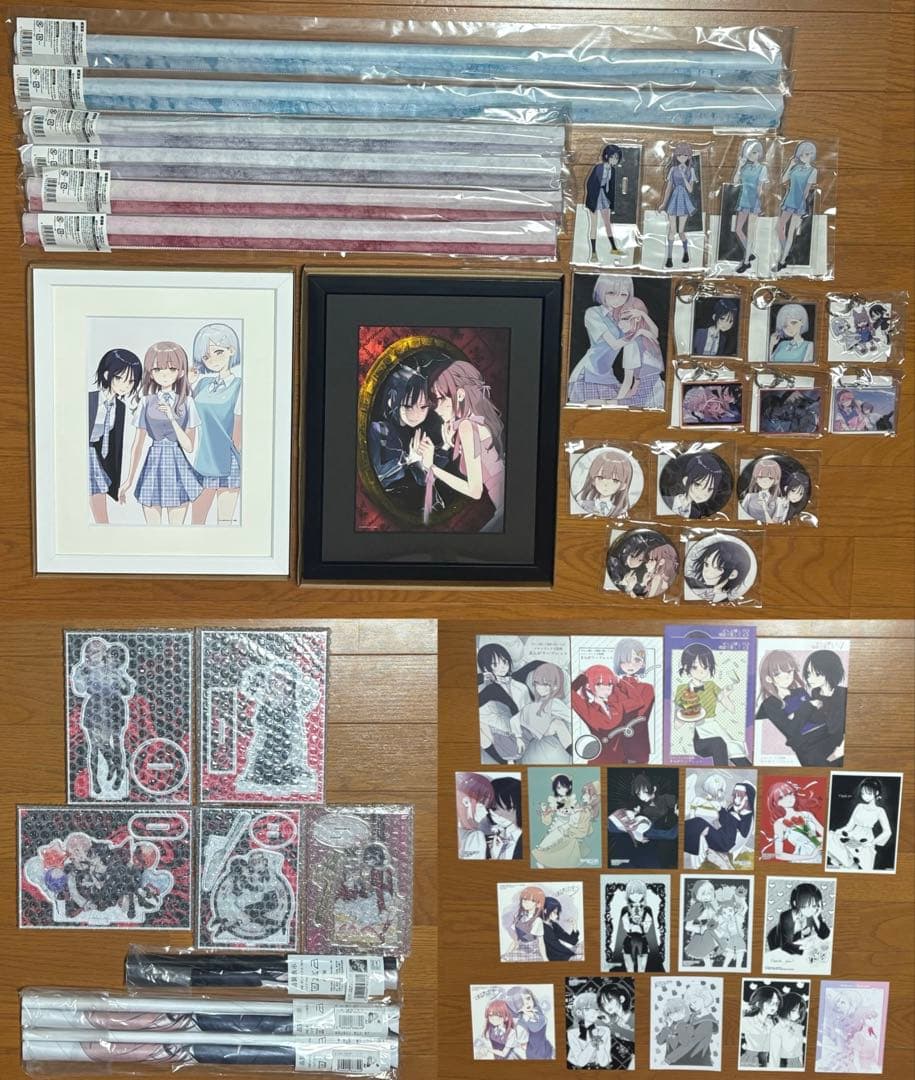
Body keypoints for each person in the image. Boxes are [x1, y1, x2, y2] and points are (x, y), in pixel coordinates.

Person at [119, 341, 203, 524]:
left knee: (176, 528)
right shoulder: (146, 401)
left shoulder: (187, 402)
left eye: (171, 369)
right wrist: (129, 480)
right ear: (151, 373)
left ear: (181, 372)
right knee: (152, 528)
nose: (164, 374)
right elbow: (137, 445)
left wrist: (172, 418)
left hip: (178, 465)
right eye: (157, 369)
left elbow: (189, 446)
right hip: (153, 464)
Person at [419, 358, 505, 531]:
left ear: (460, 395)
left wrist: (431, 467)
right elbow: (483, 457)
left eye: (440, 398)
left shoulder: (467, 426)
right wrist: (452, 442)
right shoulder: (476, 420)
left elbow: (475, 491)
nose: (436, 408)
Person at [566, 275, 664, 408]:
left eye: (623, 294)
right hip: (589, 373)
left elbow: (653, 334)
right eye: (611, 293)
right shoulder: (593, 313)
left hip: (608, 376)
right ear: (602, 291)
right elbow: (614, 344)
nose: (617, 299)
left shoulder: (623, 314)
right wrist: (638, 333)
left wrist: (642, 316)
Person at [189, 322, 243, 526]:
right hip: (203, 460)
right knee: (197, 521)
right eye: (206, 356)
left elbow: (239, 431)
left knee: (224, 522)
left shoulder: (240, 386)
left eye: (218, 352)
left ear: (231, 350)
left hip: (228, 460)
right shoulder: (202, 384)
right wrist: (188, 384)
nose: (213, 360)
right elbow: (187, 415)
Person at [87, 348, 143, 524]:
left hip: (95, 458)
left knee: (99, 505)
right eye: (120, 378)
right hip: (81, 454)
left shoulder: (120, 407)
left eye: (131, 381)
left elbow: (114, 447)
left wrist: (116, 486)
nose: (125, 386)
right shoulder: (88, 399)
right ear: (106, 375)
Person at [674, 642, 749, 764]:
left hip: (714, 726)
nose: (701, 672)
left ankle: (747, 769)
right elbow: (677, 722)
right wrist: (685, 715)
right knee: (718, 743)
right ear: (686, 666)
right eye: (695, 667)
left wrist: (726, 694)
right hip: (698, 735)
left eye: (705, 667)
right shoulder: (682, 689)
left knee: (733, 748)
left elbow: (730, 706)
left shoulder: (711, 685)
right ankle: (721, 772)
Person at [827, 777, 894, 871]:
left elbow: (887, 832)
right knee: (829, 836)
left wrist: (872, 843)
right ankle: (848, 861)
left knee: (858, 864)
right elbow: (849, 826)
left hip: (866, 840)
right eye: (863, 793)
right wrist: (839, 831)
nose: (865, 796)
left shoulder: (880, 811)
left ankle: (852, 862)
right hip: (852, 835)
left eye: (868, 793)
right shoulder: (859, 806)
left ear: (877, 793)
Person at [776, 140, 817, 271]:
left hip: (798, 203)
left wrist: (801, 207)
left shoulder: (813, 171)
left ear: (812, 155)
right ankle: (786, 251)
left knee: (790, 232)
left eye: (808, 154)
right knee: (779, 227)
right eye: (803, 154)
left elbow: (806, 191)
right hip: (789, 200)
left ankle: (782, 260)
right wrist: (790, 165)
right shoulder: (795, 167)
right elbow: (783, 180)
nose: (805, 157)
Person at [766, 881, 831, 957]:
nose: (810, 910)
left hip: (798, 943)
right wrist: (804, 950)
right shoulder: (786, 917)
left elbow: (824, 935)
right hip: (777, 942)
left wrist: (816, 917)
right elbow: (785, 945)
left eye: (814, 906)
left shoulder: (813, 912)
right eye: (805, 906)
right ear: (795, 903)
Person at [765, 779, 824, 862]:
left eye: (790, 794)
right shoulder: (779, 824)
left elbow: (825, 835)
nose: (788, 798)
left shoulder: (807, 815)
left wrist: (819, 845)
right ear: (776, 803)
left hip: (819, 855)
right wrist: (810, 856)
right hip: (802, 859)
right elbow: (778, 854)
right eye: (781, 798)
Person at [731, 137, 767, 273]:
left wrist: (758, 203)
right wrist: (739, 167)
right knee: (738, 229)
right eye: (751, 153)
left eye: (756, 152)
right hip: (743, 200)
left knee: (751, 232)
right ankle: (749, 251)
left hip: (753, 201)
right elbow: (735, 182)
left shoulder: (762, 168)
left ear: (760, 153)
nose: (754, 155)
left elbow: (760, 188)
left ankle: (746, 262)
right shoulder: (744, 167)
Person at [659, 142, 697, 268]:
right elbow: (668, 188)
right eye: (680, 155)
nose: (682, 157)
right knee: (672, 229)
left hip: (684, 200)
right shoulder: (673, 169)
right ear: (676, 156)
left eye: (685, 155)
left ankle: (686, 252)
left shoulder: (691, 170)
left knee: (681, 231)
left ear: (689, 156)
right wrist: (664, 203)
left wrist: (683, 176)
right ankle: (669, 258)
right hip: (674, 199)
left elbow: (690, 189)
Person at [684, 538, 754, 604]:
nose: (706, 571)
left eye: (717, 568)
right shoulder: (693, 583)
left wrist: (718, 592)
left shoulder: (722, 597)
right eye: (706, 564)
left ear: (732, 574)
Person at [584, 143, 624, 259]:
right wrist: (591, 199)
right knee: (594, 225)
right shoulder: (599, 168)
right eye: (613, 157)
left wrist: (612, 204)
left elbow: (611, 188)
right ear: (606, 156)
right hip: (594, 197)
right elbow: (589, 184)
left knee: (607, 223)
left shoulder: (613, 170)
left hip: (604, 197)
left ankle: (614, 248)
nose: (615, 160)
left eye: (617, 158)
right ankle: (593, 252)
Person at [574, 448, 634, 517]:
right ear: (593, 480)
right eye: (600, 478)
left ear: (623, 485)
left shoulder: (621, 512)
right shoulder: (582, 504)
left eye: (615, 480)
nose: (606, 484)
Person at [740, 985, 781, 1067]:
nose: (774, 1007)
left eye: (776, 1003)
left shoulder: (773, 1023)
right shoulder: (747, 1021)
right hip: (750, 1061)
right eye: (770, 1003)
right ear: (759, 1002)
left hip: (766, 1061)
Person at [505, 886, 547, 961]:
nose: (525, 902)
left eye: (530, 900)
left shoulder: (537, 921)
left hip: (532, 952)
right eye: (524, 899)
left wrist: (545, 958)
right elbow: (515, 940)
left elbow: (540, 942)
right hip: (520, 950)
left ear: (538, 904)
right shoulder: (518, 917)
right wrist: (507, 953)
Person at [541, 896, 581, 960]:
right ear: (545, 910)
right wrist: (573, 952)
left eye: (557, 913)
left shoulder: (553, 925)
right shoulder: (542, 926)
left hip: (563, 954)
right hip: (555, 957)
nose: (557, 915)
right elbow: (555, 946)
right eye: (554, 912)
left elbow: (572, 941)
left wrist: (574, 925)